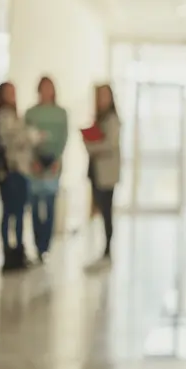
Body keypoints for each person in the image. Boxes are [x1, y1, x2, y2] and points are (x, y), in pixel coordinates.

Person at [0, 82, 44, 272]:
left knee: (20, 213)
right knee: (10, 213)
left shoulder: (16, 116)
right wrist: (29, 136)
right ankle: (9, 253)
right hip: (11, 171)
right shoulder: (3, 116)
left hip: (22, 171)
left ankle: (19, 251)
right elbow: (10, 140)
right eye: (8, 93)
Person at [25, 76, 68, 262]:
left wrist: (57, 159)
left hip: (53, 163)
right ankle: (37, 244)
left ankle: (46, 246)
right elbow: (26, 137)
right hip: (35, 164)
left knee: (49, 205)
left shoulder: (61, 113)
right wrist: (33, 159)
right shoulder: (31, 113)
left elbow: (63, 137)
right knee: (35, 206)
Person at [84, 84, 120, 261]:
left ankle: (107, 247)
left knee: (106, 210)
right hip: (96, 170)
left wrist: (92, 145)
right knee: (99, 208)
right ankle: (102, 247)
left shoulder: (112, 119)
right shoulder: (99, 119)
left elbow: (110, 144)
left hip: (107, 173)